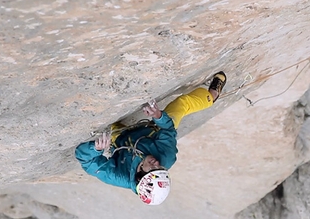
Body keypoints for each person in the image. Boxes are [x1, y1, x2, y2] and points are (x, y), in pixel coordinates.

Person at [75, 71, 227, 205]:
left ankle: (118, 131)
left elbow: (86, 161)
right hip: (152, 129)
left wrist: (95, 149)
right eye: (160, 168)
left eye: (153, 168)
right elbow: (167, 129)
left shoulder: (118, 176)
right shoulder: (167, 157)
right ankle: (212, 96)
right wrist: (159, 116)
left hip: (120, 138)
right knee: (182, 104)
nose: (157, 163)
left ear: (139, 173)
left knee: (114, 128)